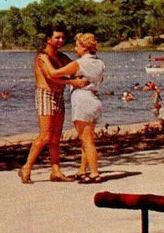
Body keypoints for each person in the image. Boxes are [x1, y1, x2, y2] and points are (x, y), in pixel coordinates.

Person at [18, 26, 85, 184]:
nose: (60, 41)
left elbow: (77, 68)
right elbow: (51, 76)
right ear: (49, 39)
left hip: (59, 95)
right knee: (45, 135)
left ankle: (55, 170)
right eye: (57, 38)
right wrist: (72, 81)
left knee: (56, 137)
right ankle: (26, 167)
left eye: (62, 38)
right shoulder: (43, 57)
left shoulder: (62, 57)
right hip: (45, 94)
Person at [38, 32, 107, 184]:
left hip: (82, 101)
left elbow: (53, 74)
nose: (75, 49)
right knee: (86, 138)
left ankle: (95, 173)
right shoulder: (100, 63)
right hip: (95, 100)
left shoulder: (79, 64)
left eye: (77, 46)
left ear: (84, 47)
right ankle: (83, 170)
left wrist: (45, 60)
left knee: (87, 140)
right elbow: (100, 80)